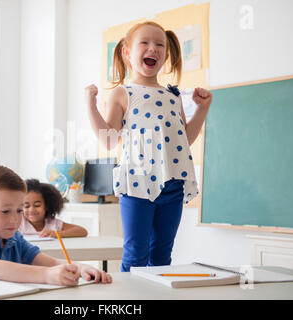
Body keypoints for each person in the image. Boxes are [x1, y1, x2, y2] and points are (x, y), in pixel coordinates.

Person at [84, 21, 212, 272]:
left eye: (160, 45)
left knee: (162, 255)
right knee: (135, 254)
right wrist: (90, 104)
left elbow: (183, 140)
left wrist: (202, 109)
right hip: (136, 183)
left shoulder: (173, 96)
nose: (153, 48)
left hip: (173, 183)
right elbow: (108, 140)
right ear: (126, 52)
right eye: (145, 43)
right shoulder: (123, 93)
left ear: (166, 53)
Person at [0, 165, 112, 285]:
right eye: (5, 212)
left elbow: (51, 262)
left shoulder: (15, 239)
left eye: (19, 211)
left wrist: (80, 268)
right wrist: (47, 275)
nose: (14, 220)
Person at [19, 178, 88, 238]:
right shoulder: (18, 222)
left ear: (47, 205)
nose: (32, 210)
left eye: (37, 205)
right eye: (26, 206)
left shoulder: (52, 223)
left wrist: (57, 234)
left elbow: (82, 231)